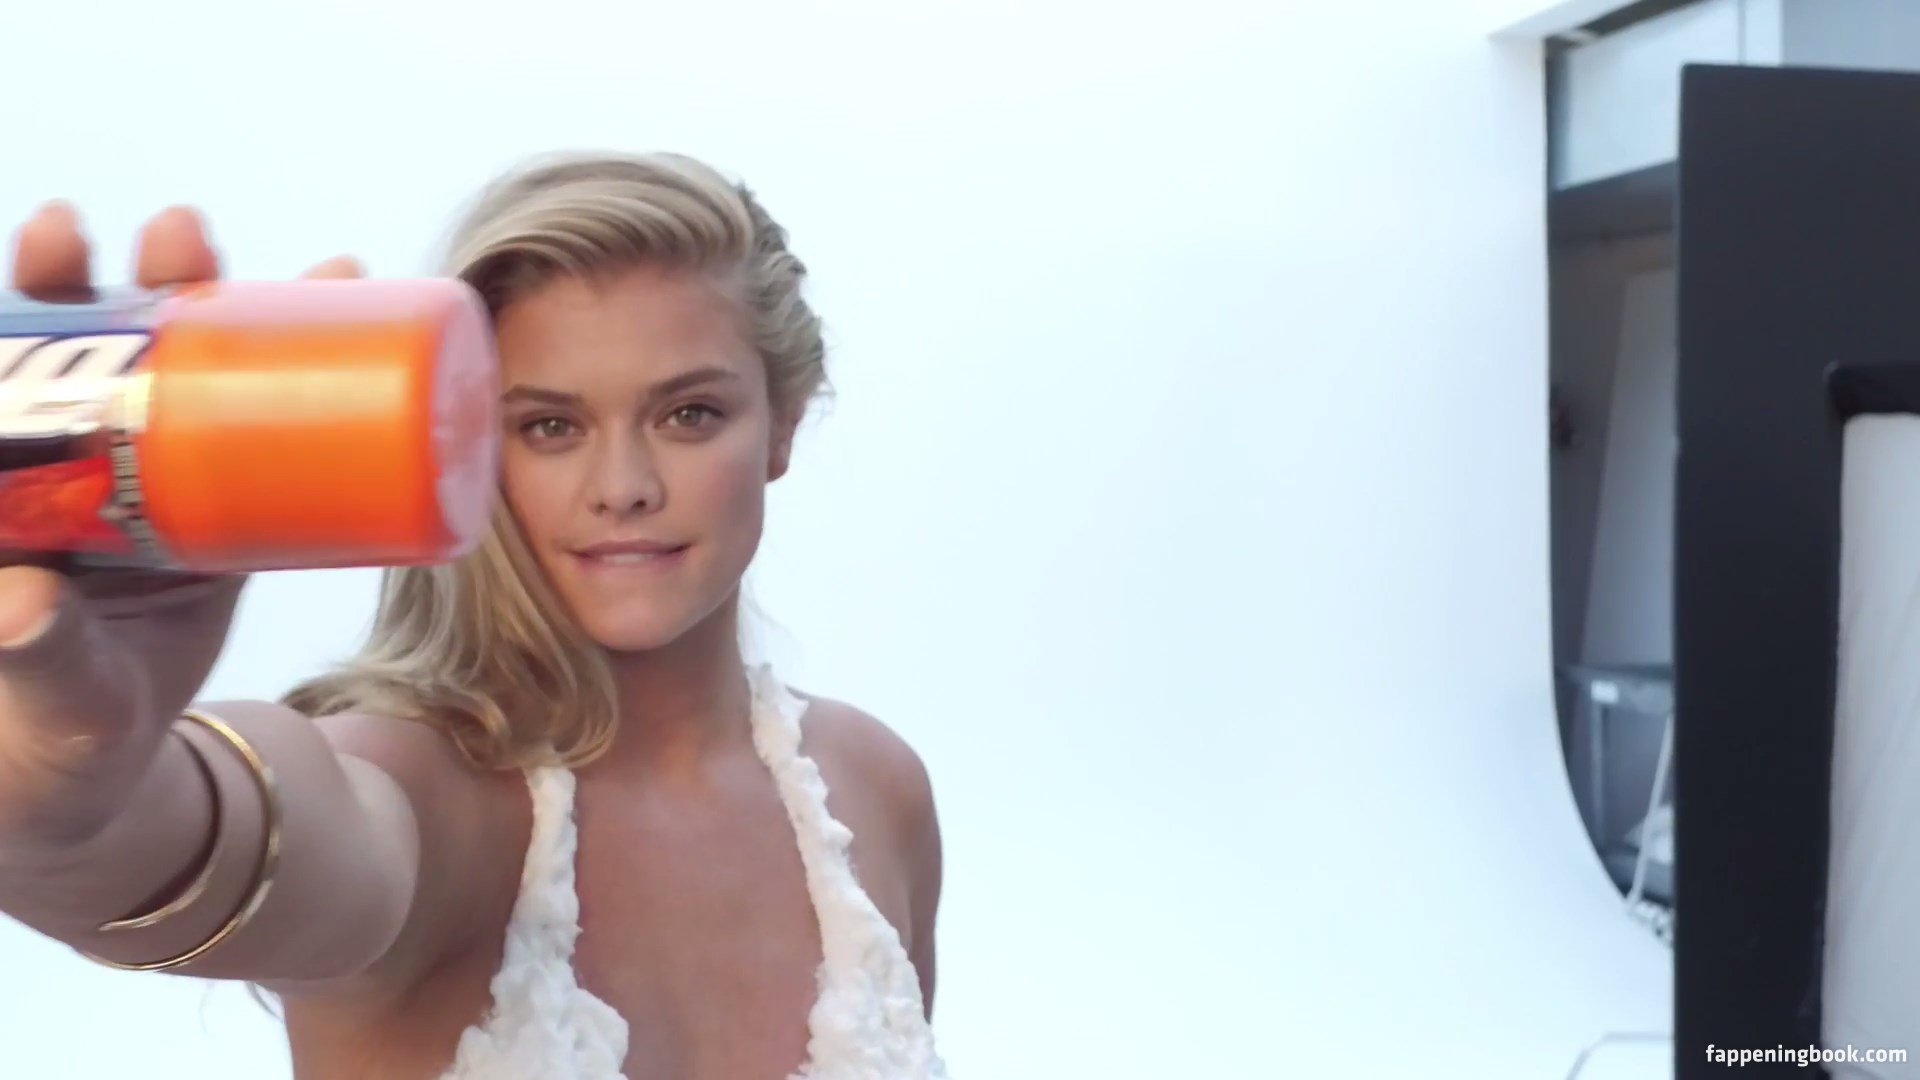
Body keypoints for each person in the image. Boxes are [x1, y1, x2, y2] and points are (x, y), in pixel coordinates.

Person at [0, 153, 948, 1079]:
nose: (624, 486)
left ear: (782, 423)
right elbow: (184, 840)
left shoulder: (875, 788)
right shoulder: (415, 790)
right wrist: (77, 794)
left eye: (689, 414)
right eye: (549, 427)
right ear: (455, 438)